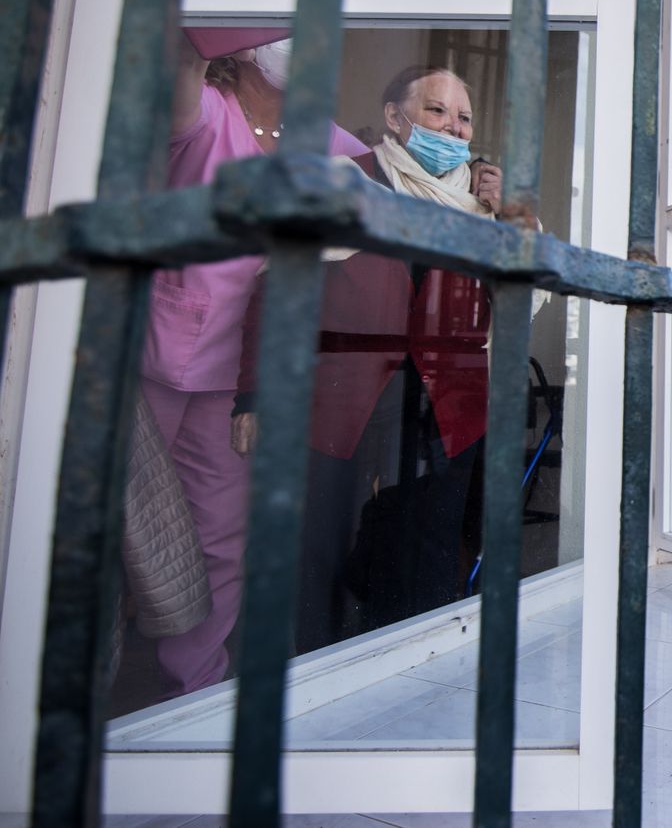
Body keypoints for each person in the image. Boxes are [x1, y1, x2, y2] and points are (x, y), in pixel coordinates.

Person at [234, 65, 513, 652]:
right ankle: (310, 671)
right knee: (321, 547)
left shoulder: (478, 207)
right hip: (341, 400)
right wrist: (253, 395)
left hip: (447, 408)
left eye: (464, 119)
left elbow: (516, 307)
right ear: (395, 117)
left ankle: (413, 669)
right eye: (437, 112)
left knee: (428, 547)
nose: (454, 130)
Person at [138, 35, 366, 696]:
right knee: (115, 528)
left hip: (240, 378)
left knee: (220, 539)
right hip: (147, 361)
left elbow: (385, 182)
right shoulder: (206, 108)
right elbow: (179, 61)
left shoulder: (319, 138)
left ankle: (195, 690)